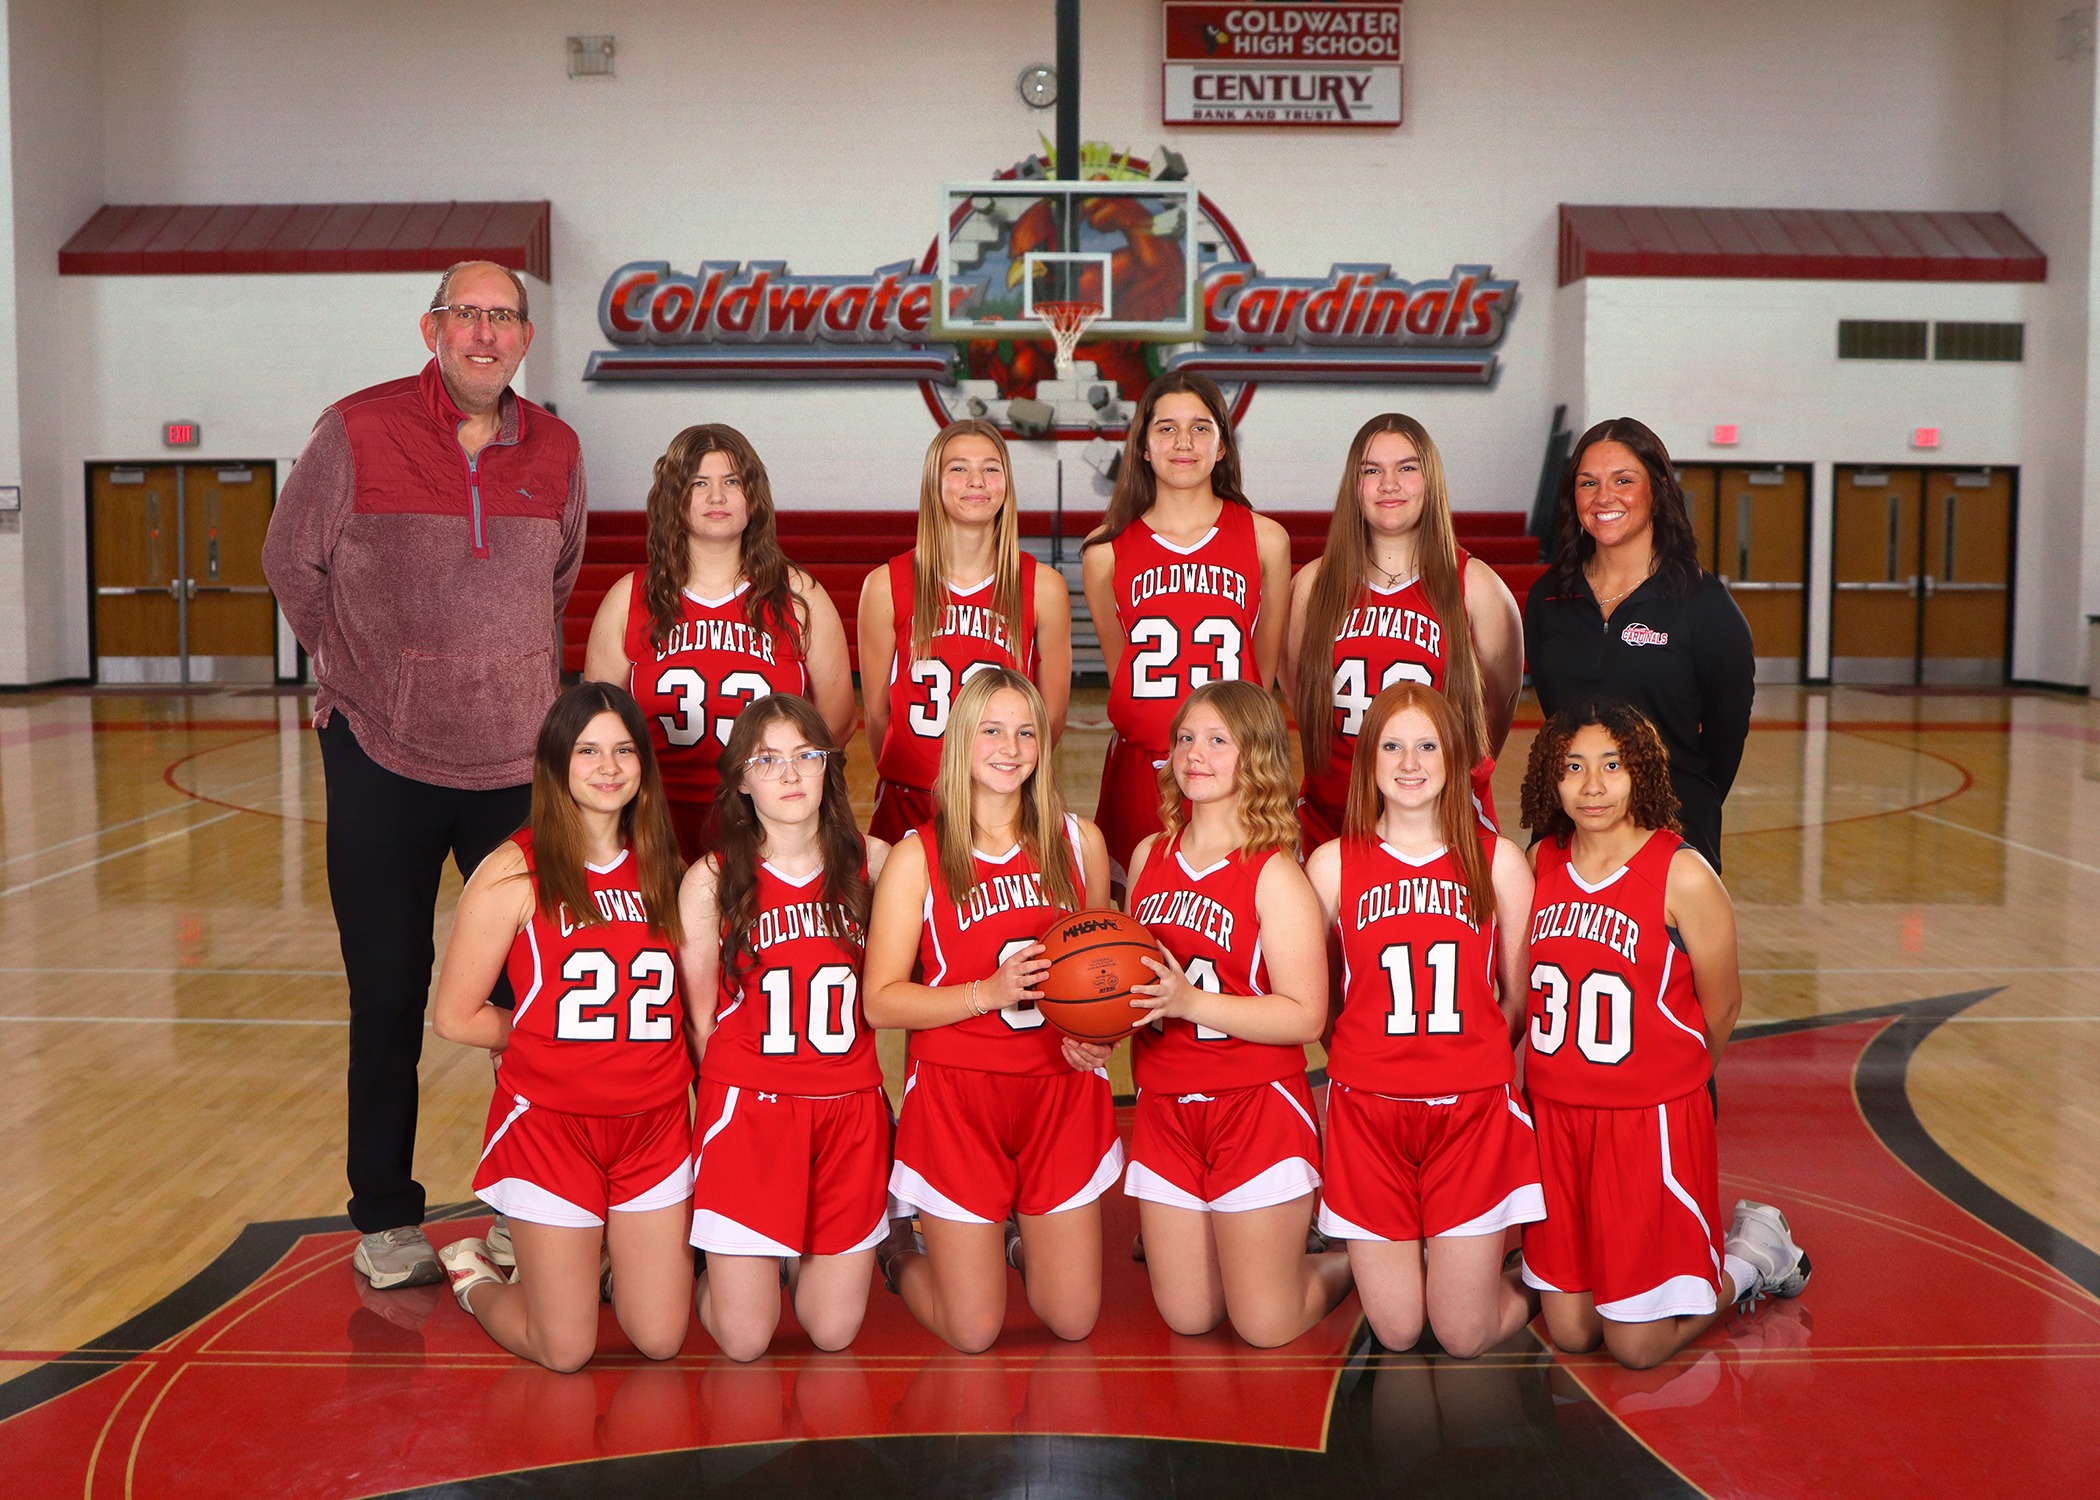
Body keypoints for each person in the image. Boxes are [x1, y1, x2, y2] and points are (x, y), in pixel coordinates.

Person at [261, 260, 588, 1289]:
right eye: (467, 316)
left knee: (526, 1006)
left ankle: (517, 1211)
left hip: (512, 767)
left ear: (525, 337)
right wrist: (359, 682)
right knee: (389, 995)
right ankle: (386, 1219)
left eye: (503, 318)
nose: (484, 334)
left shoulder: (561, 448)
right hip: (381, 759)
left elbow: (560, 579)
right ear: (432, 328)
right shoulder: (355, 431)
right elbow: (287, 560)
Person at [1516, 697, 1809, 1370]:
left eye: (1612, 766)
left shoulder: (1681, 872)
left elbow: (1724, 1005)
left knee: (1636, 1345)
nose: (1592, 786)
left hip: (1647, 1125)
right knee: (1571, 1330)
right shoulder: (1541, 862)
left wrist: (1670, 1082)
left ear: (1641, 771)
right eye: (1574, 767)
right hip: (1556, 1117)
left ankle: (1753, 1255)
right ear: (1549, 778)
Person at [429, 683, 693, 1373]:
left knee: (661, 1337)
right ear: (555, 763)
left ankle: (594, 1264)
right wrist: (532, 1037)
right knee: (566, 1350)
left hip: (655, 1127)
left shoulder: (670, 865)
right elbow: (455, 1016)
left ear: (643, 764)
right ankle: (477, 1276)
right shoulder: (514, 870)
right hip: (553, 1129)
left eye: (624, 750)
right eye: (587, 751)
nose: (608, 767)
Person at [862, 667, 1117, 1353]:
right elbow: (881, 1000)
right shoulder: (919, 856)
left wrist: (1097, 1038)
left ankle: (1010, 1243)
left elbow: (1102, 981)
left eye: (1026, 732)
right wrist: (988, 993)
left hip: (1060, 1094)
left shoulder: (1078, 842)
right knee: (974, 1332)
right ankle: (897, 1250)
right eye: (992, 730)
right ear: (961, 740)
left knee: (1072, 1319)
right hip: (957, 1097)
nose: (1010, 747)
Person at [1304, 682, 1543, 1357]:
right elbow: (1315, 998)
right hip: (1367, 1116)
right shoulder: (1330, 866)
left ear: (1455, 756)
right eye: (1393, 745)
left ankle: (1554, 1277)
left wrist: (1462, 1060)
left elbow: (1517, 1000)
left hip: (1469, 1113)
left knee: (1461, 1335)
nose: (1410, 763)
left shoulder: (1496, 861)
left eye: (1428, 745)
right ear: (1369, 760)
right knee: (1401, 1329)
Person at [1112, 680, 1352, 1347]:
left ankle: (1351, 1260)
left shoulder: (1274, 872)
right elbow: (1136, 989)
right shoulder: (1148, 857)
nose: (1196, 754)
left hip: (1254, 1109)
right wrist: (1093, 1028)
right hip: (1164, 1107)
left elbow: (1307, 1017)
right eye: (1186, 738)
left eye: (1219, 741)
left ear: (1257, 758)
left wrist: (1191, 1002)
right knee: (1188, 1316)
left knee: (1264, 1324)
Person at [678, 695, 891, 1361]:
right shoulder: (711, 879)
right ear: (741, 778)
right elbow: (702, 1020)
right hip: (751, 1112)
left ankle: (784, 1249)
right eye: (767, 760)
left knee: (833, 1332)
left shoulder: (877, 862)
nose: (791, 773)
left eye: (806, 756)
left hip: (849, 1109)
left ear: (829, 767)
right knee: (745, 1341)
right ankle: (719, 1264)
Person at [584, 423, 853, 861]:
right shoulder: (628, 598)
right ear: (674, 498)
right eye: (698, 483)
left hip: (765, 825)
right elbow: (597, 728)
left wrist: (771, 787)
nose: (716, 497)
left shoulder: (801, 597)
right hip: (655, 825)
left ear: (753, 495)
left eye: (731, 482)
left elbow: (837, 724)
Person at [1082, 372, 1293, 889]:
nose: (1183, 443)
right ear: (1144, 446)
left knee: (1238, 912)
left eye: (1200, 428)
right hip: (1140, 770)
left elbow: (1259, 677)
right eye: (1167, 428)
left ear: (1222, 445)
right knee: (1137, 924)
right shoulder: (1104, 550)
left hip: (1232, 770)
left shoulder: (1266, 539)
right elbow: (1122, 672)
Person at [1523, 418, 1754, 870]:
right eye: (1588, 483)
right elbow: (1557, 720)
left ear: (1659, 487)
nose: (1603, 497)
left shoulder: (1704, 604)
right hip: (1571, 831)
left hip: (1672, 834)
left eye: (1623, 481)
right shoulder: (1548, 597)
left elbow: (1725, 742)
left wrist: (1670, 800)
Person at [1285, 414, 1523, 848]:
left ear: (1430, 481)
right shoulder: (1312, 586)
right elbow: (1298, 690)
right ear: (1352, 486)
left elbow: (1499, 704)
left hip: (1444, 830)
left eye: (1407, 468)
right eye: (1371, 470)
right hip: (1332, 825)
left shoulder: (1478, 587)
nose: (1388, 484)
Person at [858, 419, 1073, 843]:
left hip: (1000, 803)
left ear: (1007, 485)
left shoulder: (1043, 588)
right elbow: (878, 714)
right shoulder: (885, 585)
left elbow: (1052, 716)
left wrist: (1005, 777)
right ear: (934, 483)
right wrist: (915, 770)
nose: (976, 480)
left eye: (991, 468)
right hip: (911, 801)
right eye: (958, 468)